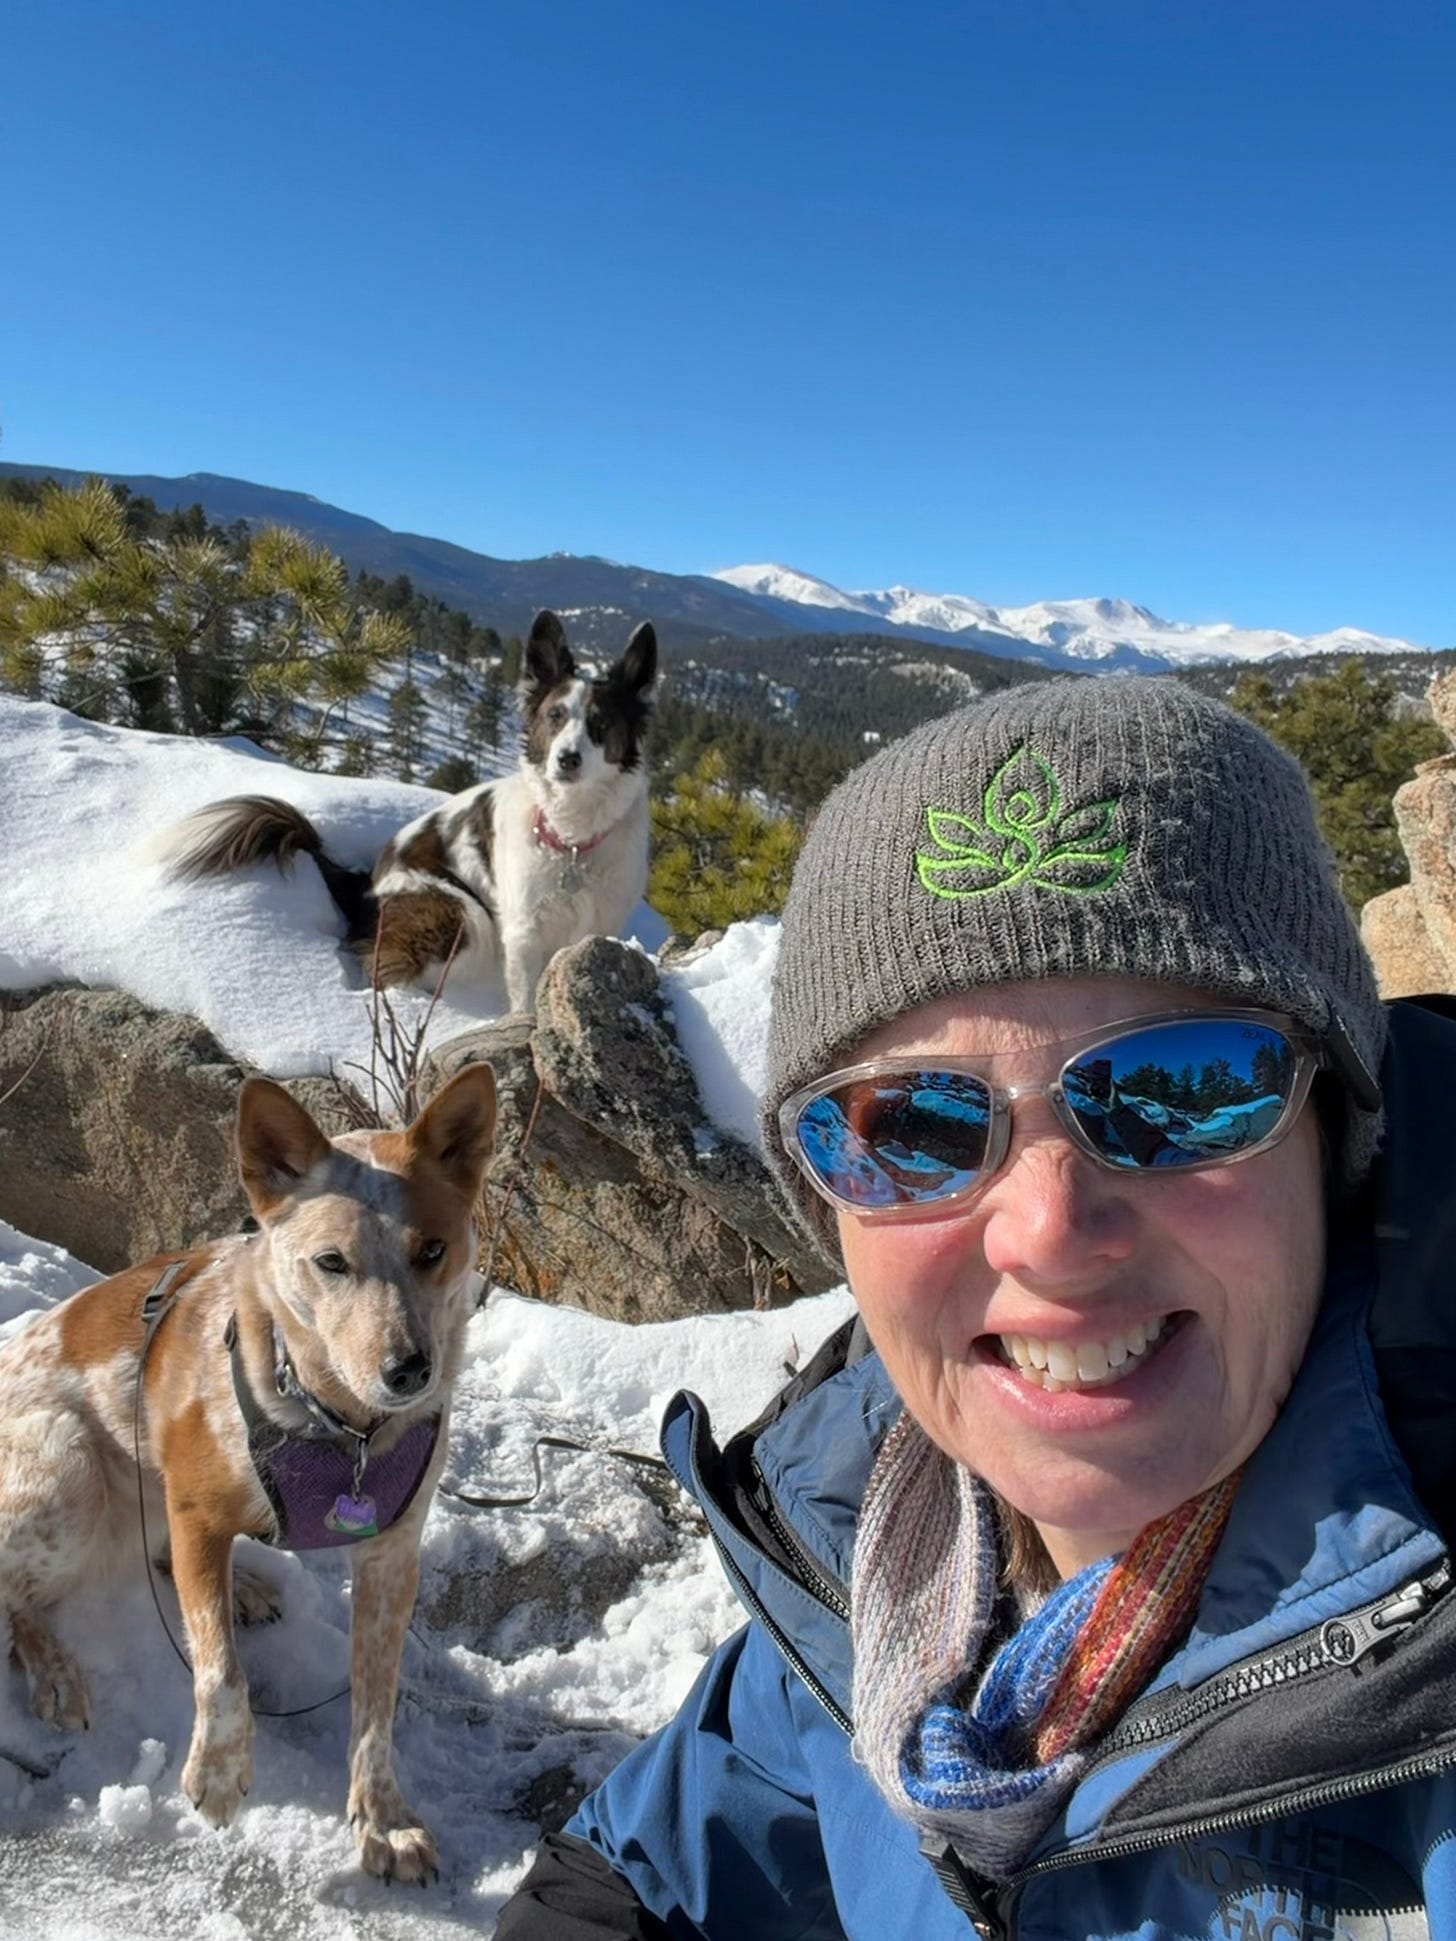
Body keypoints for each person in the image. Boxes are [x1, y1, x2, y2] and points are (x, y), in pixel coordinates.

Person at [496, 677, 1456, 1940]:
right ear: (822, 1199)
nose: (1049, 1231)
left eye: (1183, 1086)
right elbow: (670, 1860)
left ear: (1330, 1135)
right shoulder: (881, 1555)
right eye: (913, 1127)